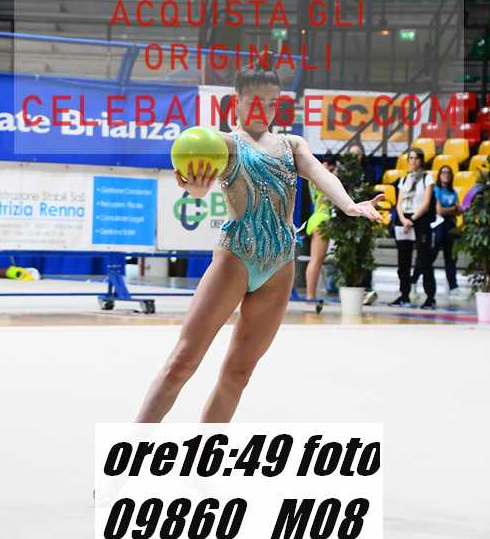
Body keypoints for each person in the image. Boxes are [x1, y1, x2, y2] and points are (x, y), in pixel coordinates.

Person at [134, 65, 384, 424]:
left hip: (280, 265)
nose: (263, 109)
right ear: (236, 101)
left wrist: (349, 205)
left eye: (271, 102)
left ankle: (205, 455)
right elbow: (199, 188)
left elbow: (320, 174)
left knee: (238, 373)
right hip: (236, 258)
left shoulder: (292, 145)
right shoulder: (224, 143)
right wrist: (195, 187)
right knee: (183, 362)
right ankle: (129, 452)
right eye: (255, 101)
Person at [389, 147, 437, 309]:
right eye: (410, 158)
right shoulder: (404, 179)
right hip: (403, 219)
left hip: (420, 219)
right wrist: (403, 219)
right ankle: (404, 295)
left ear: (421, 160)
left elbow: (426, 203)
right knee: (403, 261)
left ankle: (430, 297)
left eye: (416, 158)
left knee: (424, 260)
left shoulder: (427, 178)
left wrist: (413, 219)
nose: (413, 161)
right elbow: (399, 203)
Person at [411, 165, 463, 299]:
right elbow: (439, 210)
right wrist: (454, 209)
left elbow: (459, 211)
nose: (446, 175)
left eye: (448, 172)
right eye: (443, 172)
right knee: (428, 256)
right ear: (439, 175)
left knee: (450, 258)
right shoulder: (436, 190)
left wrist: (454, 210)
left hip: (451, 227)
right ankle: (413, 282)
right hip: (438, 226)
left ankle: (453, 287)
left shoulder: (453, 191)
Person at [347, 142, 378, 305]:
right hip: (347, 219)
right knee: (348, 253)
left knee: (364, 252)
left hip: (364, 217)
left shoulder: (369, 171)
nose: (355, 156)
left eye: (358, 153)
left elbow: (370, 192)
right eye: (352, 153)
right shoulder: (344, 173)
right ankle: (349, 287)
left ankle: (366, 288)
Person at [304, 153, 338, 301]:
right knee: (316, 259)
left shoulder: (315, 177)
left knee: (316, 259)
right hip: (322, 220)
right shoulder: (322, 178)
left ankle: (311, 294)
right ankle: (310, 295)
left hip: (317, 218)